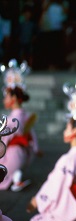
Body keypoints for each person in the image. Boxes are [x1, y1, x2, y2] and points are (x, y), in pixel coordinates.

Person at [26, 78, 76, 221]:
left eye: (67, 127)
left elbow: (55, 185)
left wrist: (37, 200)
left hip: (68, 211)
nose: (65, 131)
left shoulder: (68, 159)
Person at [0, 59, 40, 192]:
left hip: (12, 155)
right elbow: (32, 134)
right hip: (21, 153)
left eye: (6, 96)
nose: (4, 99)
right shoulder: (23, 114)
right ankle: (16, 177)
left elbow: (4, 138)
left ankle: (15, 176)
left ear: (14, 99)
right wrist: (35, 148)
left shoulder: (13, 119)